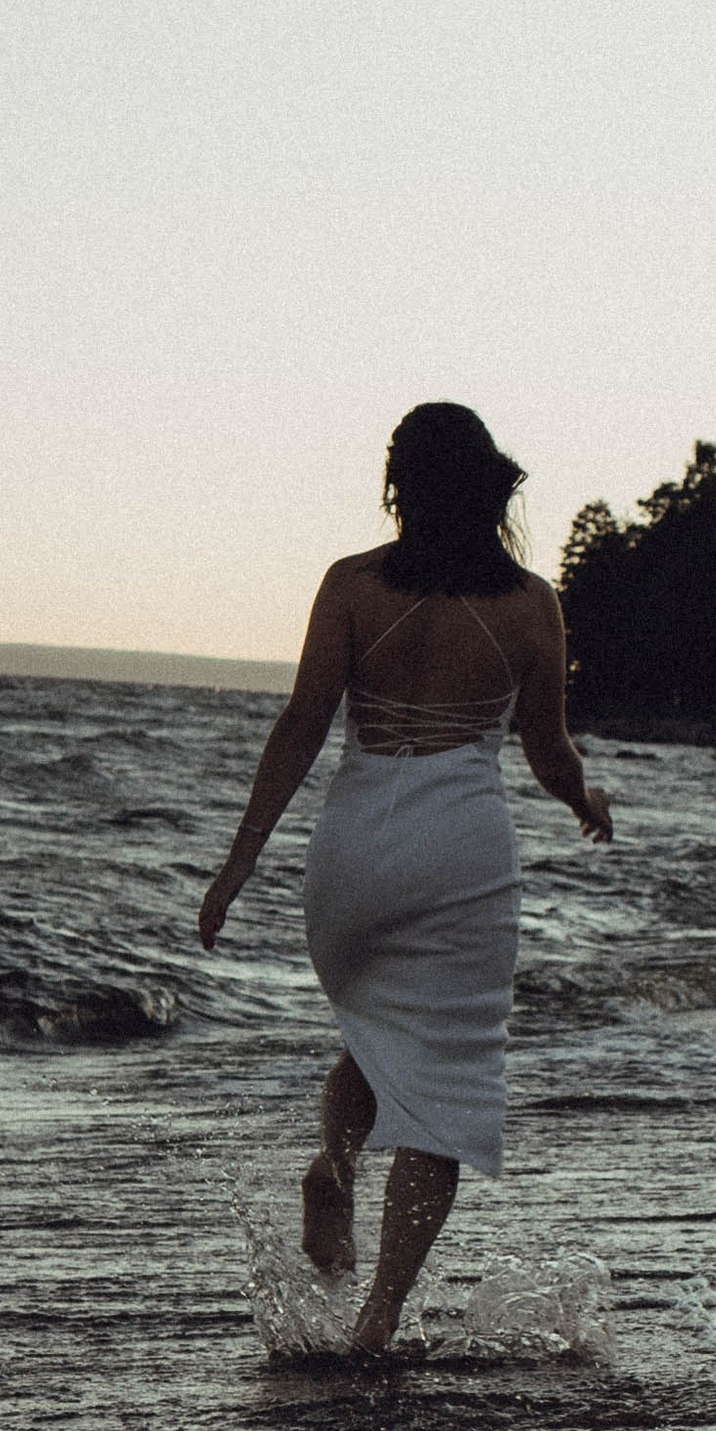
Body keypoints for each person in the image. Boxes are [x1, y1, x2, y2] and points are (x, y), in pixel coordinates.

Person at [198, 404, 613, 1354]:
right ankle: (379, 1316)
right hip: (459, 850)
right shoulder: (532, 604)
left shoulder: (350, 585)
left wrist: (237, 866)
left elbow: (300, 727)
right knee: (446, 1076)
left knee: (374, 1028)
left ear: (399, 484)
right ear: (490, 485)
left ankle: (334, 1165)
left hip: (354, 849)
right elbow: (545, 749)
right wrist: (583, 796)